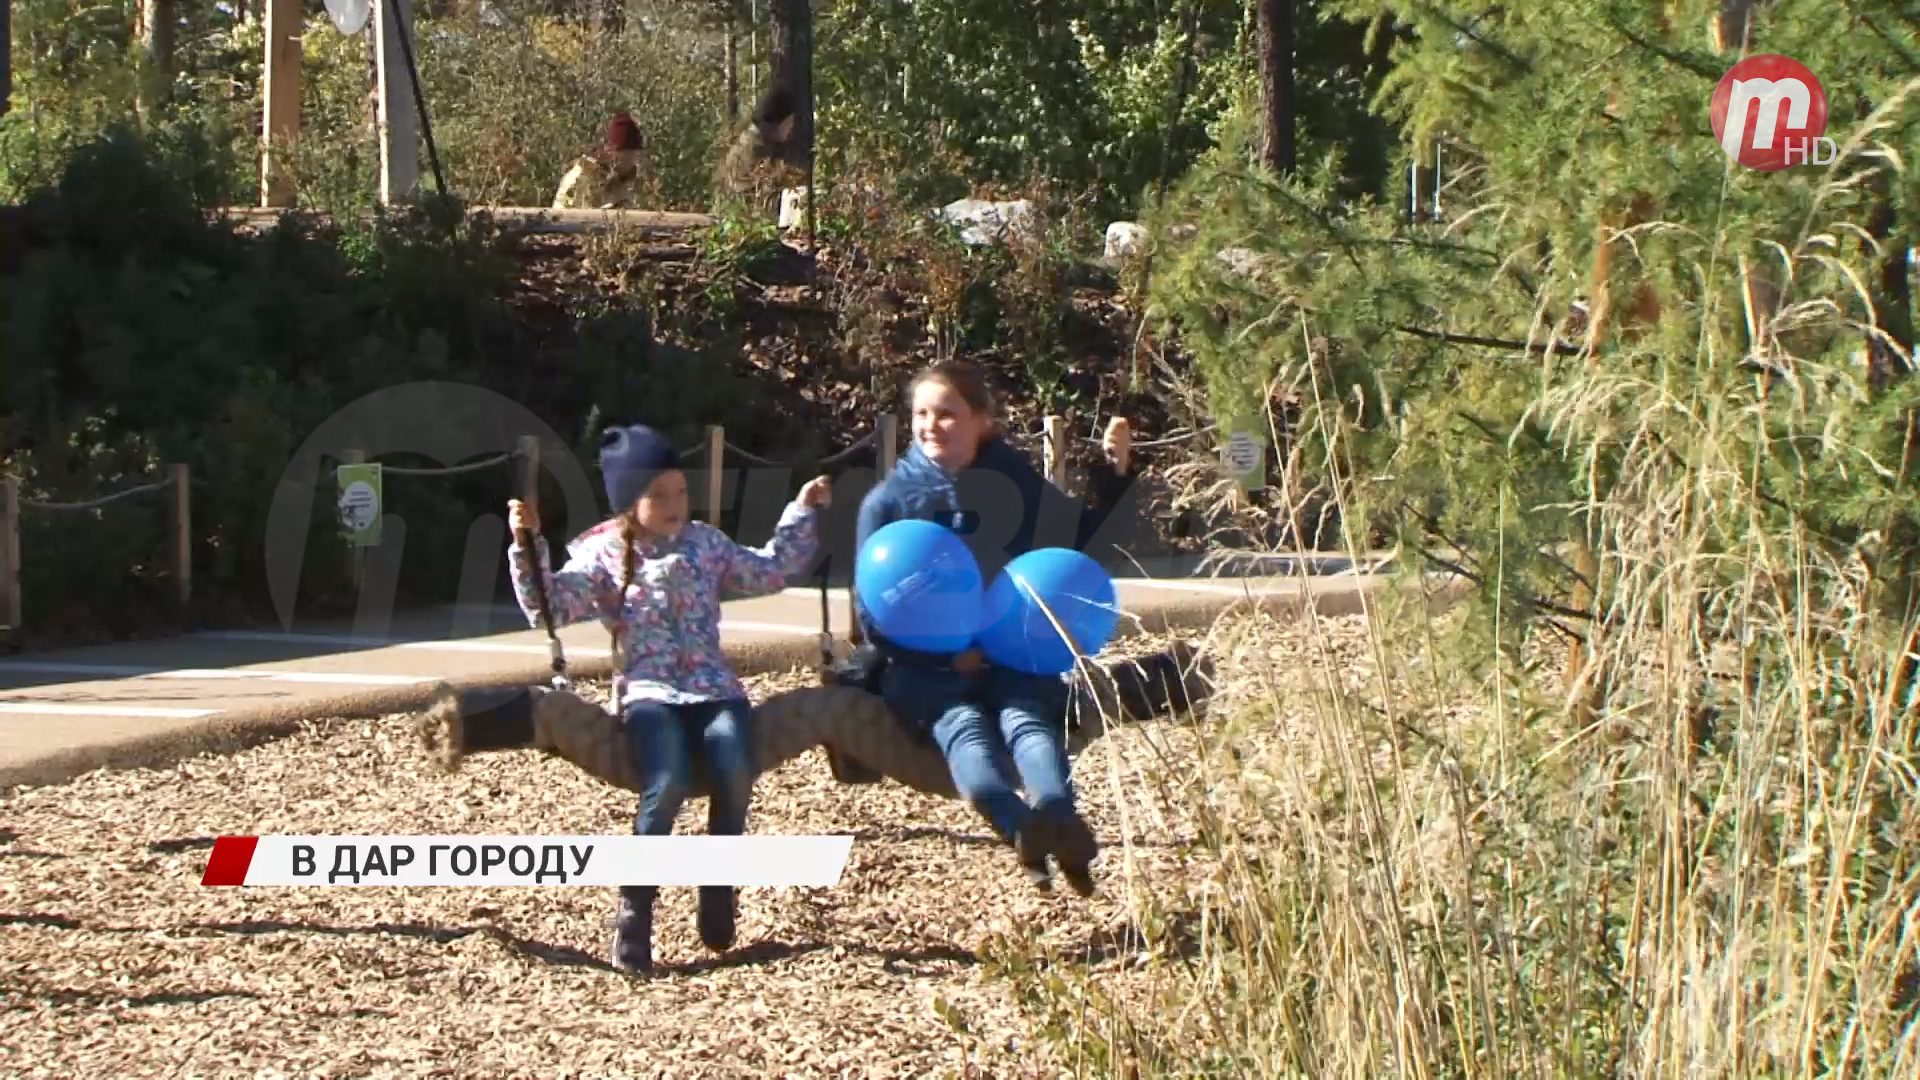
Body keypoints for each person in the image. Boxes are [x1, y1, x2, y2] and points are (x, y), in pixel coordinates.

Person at [506, 423, 832, 973]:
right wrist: (526, 543)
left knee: (733, 763)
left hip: (713, 688)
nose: (674, 504)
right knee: (669, 781)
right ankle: (636, 909)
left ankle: (718, 882)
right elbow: (549, 606)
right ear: (629, 503)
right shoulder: (604, 555)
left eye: (680, 491)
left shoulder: (706, 544)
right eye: (658, 495)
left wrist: (801, 511)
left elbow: (770, 569)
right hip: (650, 693)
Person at [852, 360, 1139, 897]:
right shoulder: (888, 503)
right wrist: (941, 659)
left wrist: (1113, 474)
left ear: (982, 420)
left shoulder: (1018, 485)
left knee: (1029, 722)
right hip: (930, 672)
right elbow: (870, 613)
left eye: (948, 414)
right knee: (970, 746)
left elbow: (1081, 545)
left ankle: (1059, 820)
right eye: (921, 414)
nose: (931, 425)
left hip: (1011, 653)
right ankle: (1024, 829)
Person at [552, 112, 652, 210]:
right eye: (628, 153)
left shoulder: (631, 180)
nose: (633, 160)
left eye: (635, 153)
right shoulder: (581, 180)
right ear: (612, 152)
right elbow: (566, 220)